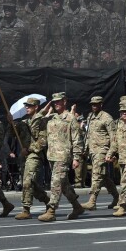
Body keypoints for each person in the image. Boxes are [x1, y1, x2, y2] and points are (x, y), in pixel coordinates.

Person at [37, 92, 85, 222]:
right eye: (54, 102)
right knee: (64, 185)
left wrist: (76, 157)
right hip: (51, 156)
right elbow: (35, 123)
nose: (56, 104)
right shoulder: (51, 118)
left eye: (59, 101)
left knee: (56, 183)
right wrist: (43, 111)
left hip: (63, 156)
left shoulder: (70, 118)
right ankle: (77, 207)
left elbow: (77, 139)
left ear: (65, 101)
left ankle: (51, 210)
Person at [14, 98, 51, 220]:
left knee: (27, 182)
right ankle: (48, 201)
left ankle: (26, 209)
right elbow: (12, 133)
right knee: (32, 185)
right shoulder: (23, 122)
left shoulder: (41, 121)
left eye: (30, 105)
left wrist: (29, 149)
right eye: (26, 105)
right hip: (24, 157)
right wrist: (10, 122)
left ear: (36, 107)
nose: (27, 107)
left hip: (34, 155)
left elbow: (42, 141)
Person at [81, 96, 119, 211]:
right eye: (92, 104)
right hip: (93, 151)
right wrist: (85, 150)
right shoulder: (90, 117)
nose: (94, 106)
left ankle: (92, 201)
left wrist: (111, 152)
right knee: (104, 177)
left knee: (96, 175)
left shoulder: (107, 118)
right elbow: (89, 134)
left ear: (101, 104)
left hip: (102, 151)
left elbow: (114, 137)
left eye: (96, 104)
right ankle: (117, 197)